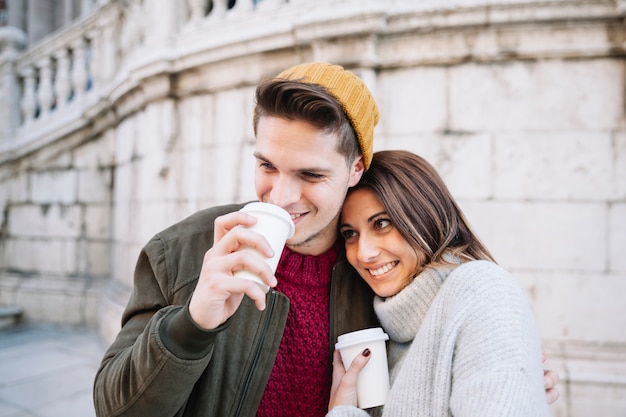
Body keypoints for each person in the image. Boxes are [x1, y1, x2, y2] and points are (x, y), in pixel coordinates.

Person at [93, 62, 558, 417]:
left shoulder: (375, 272)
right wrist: (193, 323)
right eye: (267, 165)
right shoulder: (184, 251)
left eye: (310, 174)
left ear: (355, 169)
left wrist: (501, 373)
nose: (281, 195)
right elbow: (116, 408)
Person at [328, 150, 554, 416]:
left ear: (425, 217)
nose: (363, 253)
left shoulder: (483, 291)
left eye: (382, 223)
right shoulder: (384, 324)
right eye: (350, 234)